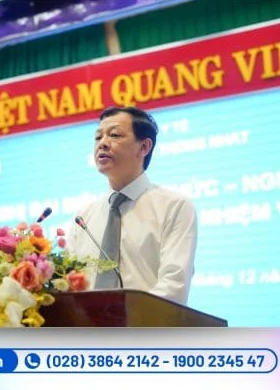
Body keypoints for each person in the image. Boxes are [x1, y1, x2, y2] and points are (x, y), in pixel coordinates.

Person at [67, 106, 197, 305]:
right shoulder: (84, 216)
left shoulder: (174, 207)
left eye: (114, 135)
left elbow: (174, 286)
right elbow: (69, 284)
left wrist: (123, 317)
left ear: (144, 147)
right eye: (98, 137)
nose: (102, 143)